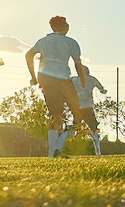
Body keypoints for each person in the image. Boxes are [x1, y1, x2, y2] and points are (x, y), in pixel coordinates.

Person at [24, 16, 87, 158]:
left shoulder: (43, 41)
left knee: (56, 116)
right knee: (78, 112)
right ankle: (58, 146)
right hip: (63, 79)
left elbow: (28, 55)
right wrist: (83, 82)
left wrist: (33, 76)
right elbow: (78, 64)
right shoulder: (70, 42)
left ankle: (53, 152)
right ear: (66, 27)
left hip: (45, 79)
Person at [71, 68, 108, 155]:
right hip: (88, 107)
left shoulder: (73, 80)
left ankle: (70, 147)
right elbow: (101, 89)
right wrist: (103, 91)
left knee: (75, 127)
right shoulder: (91, 79)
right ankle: (97, 151)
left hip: (77, 108)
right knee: (93, 129)